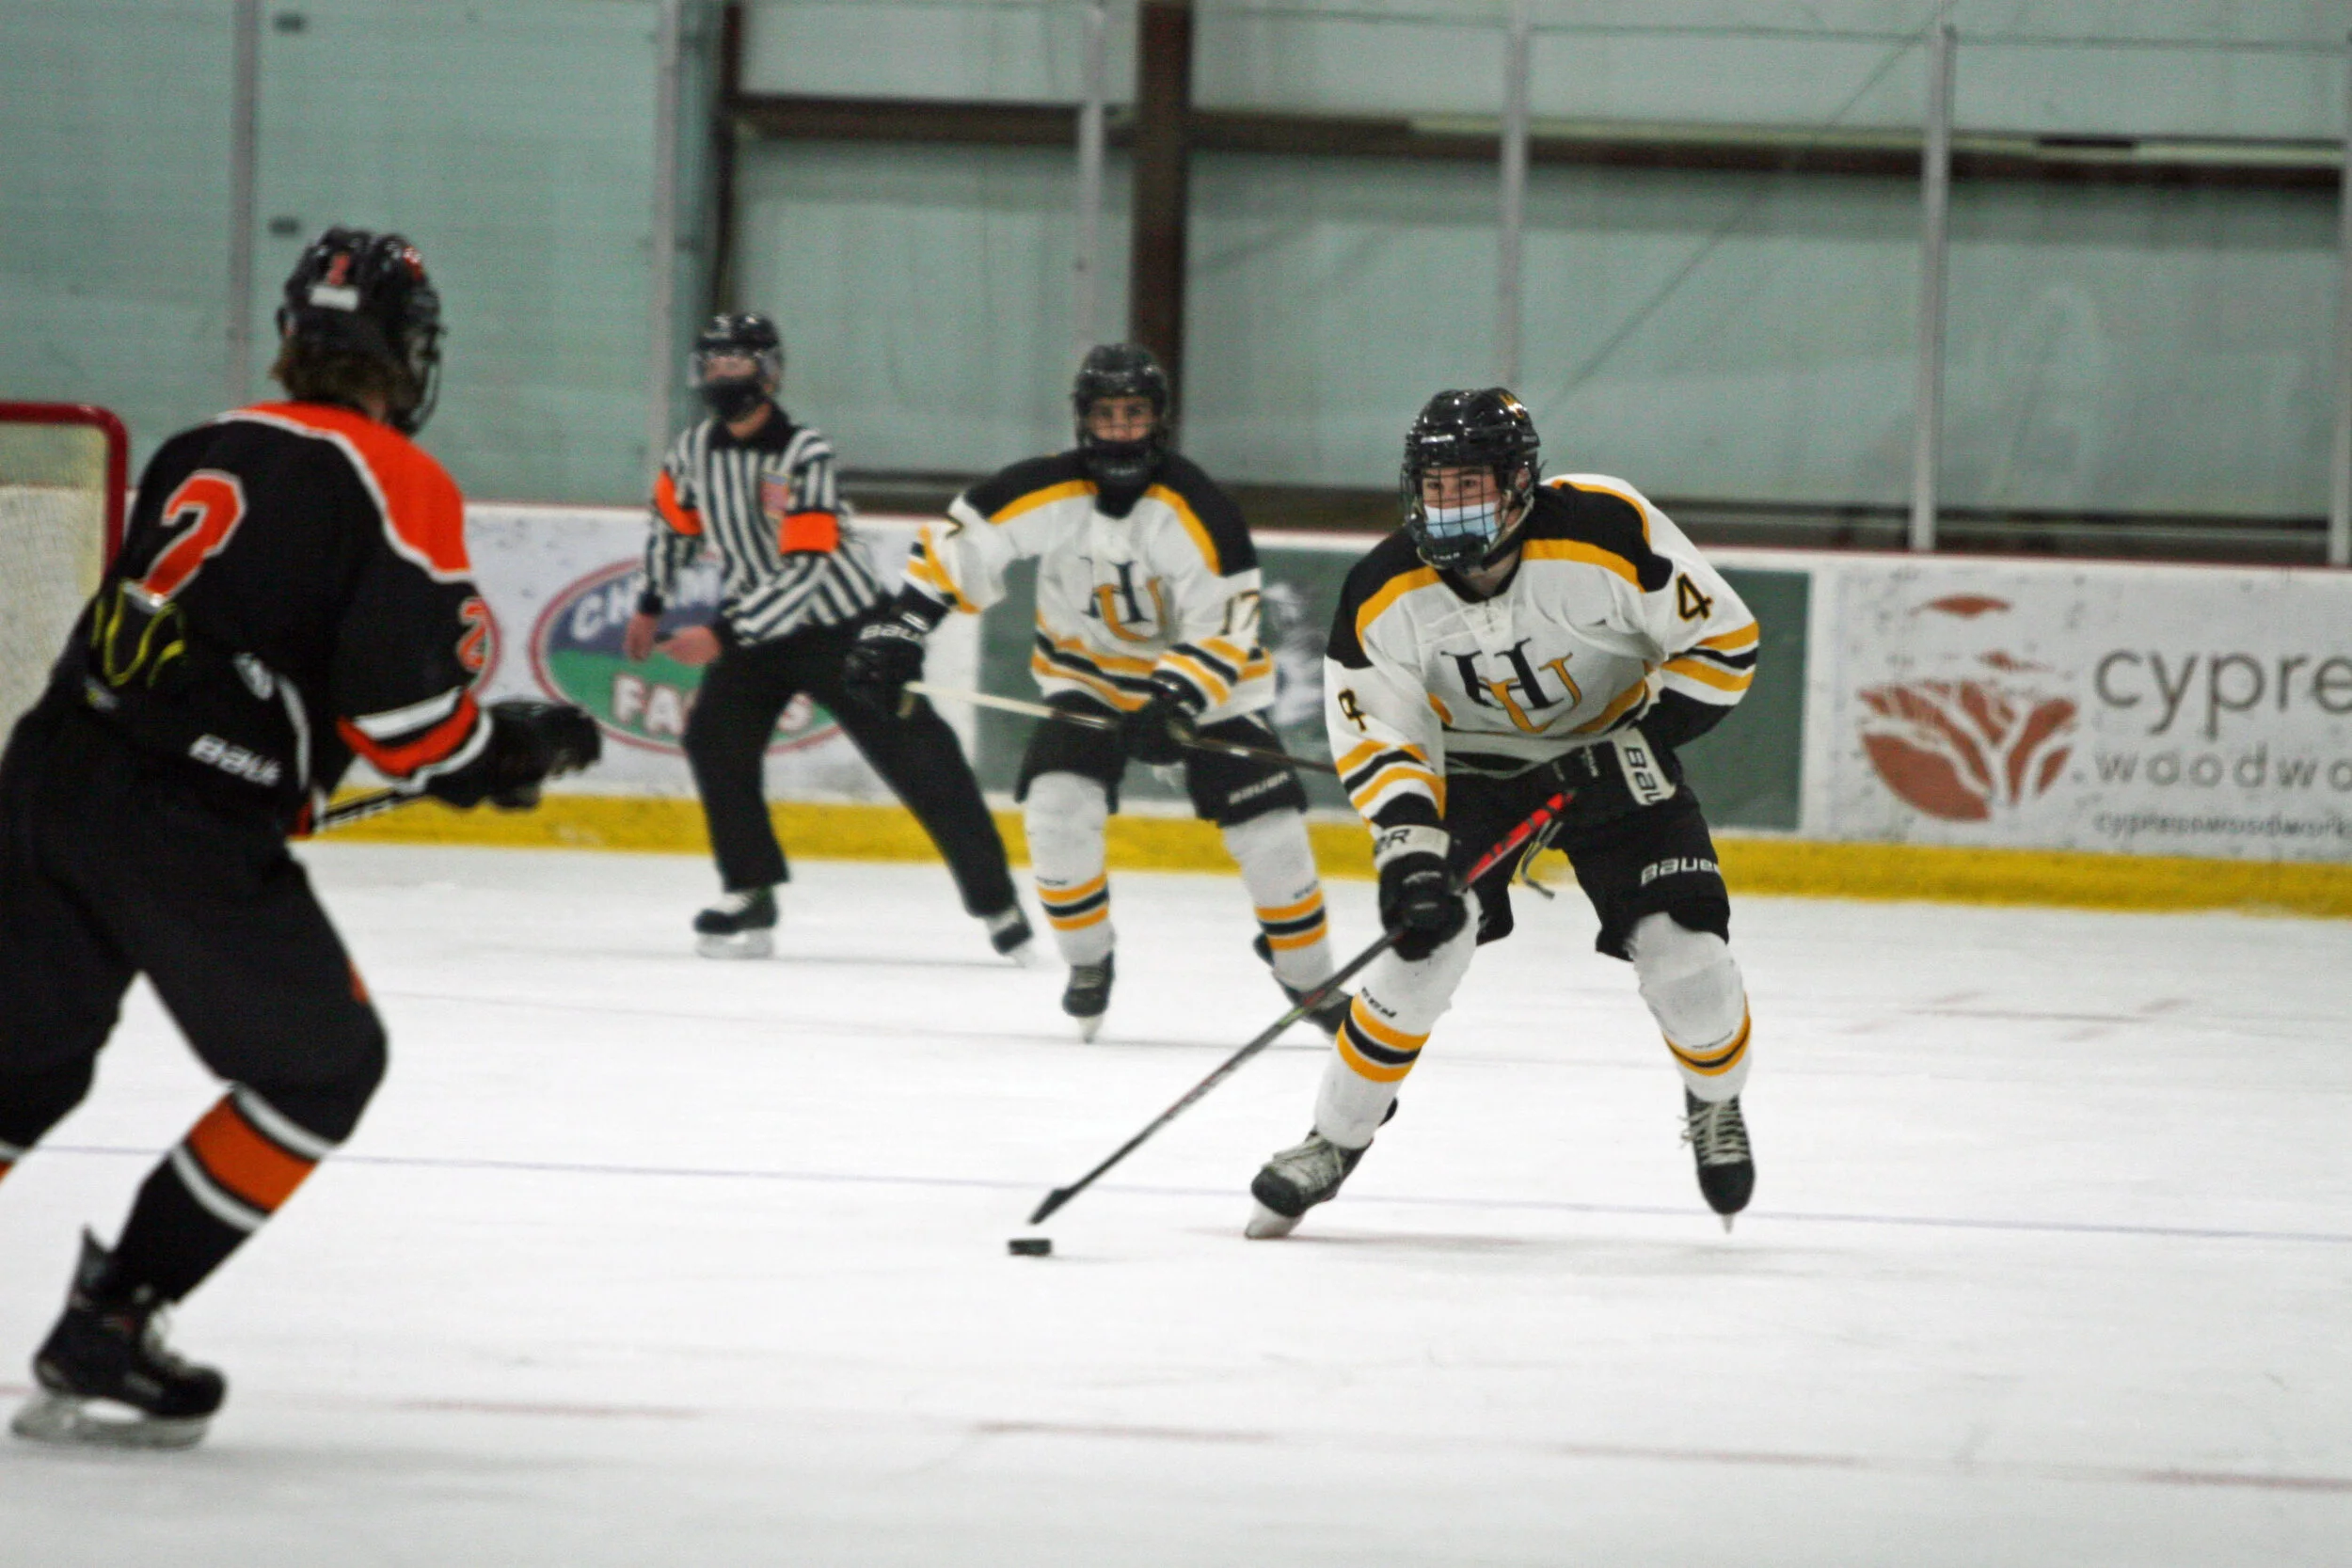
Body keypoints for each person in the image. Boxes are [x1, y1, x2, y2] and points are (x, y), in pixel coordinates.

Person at [0, 228, 598, 1447]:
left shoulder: (201, 443)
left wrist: (290, 761)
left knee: (21, 1067)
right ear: (408, 355)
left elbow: (207, 648)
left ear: (295, 337)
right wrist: (501, 754)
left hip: (52, 774)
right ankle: (112, 1319)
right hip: (185, 822)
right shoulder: (392, 477)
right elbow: (405, 717)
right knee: (323, 1065)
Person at [1244, 388, 1762, 1239]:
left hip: (1616, 756)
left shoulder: (1608, 529)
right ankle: (1333, 1140)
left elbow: (1723, 644)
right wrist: (1411, 857)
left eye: (1471, 483)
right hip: (1475, 779)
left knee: (1690, 960)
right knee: (1420, 952)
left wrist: (1644, 739)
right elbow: (1383, 737)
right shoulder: (1383, 589)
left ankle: (1715, 1103)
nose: (1451, 506)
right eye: (1436, 485)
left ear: (1521, 482)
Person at [843, 345, 1347, 1039]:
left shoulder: (1201, 511)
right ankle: (1089, 960)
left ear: (1158, 421)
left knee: (1273, 833)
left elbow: (1225, 628)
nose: (1119, 429)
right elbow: (966, 541)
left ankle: (1308, 975)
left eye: (1133, 413)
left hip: (1209, 693)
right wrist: (904, 625)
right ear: (1083, 420)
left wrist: (1175, 699)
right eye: (1105, 415)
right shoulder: (1050, 491)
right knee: (1056, 810)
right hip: (1089, 680)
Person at [625, 313, 1032, 962]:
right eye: (713, 365)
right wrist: (650, 603)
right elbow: (672, 531)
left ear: (769, 373)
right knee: (714, 737)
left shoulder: (804, 452)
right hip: (756, 633)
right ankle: (750, 890)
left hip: (841, 629)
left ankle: (998, 903)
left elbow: (806, 568)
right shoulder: (692, 451)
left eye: (738, 364)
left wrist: (721, 633)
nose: (723, 377)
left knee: (920, 759)